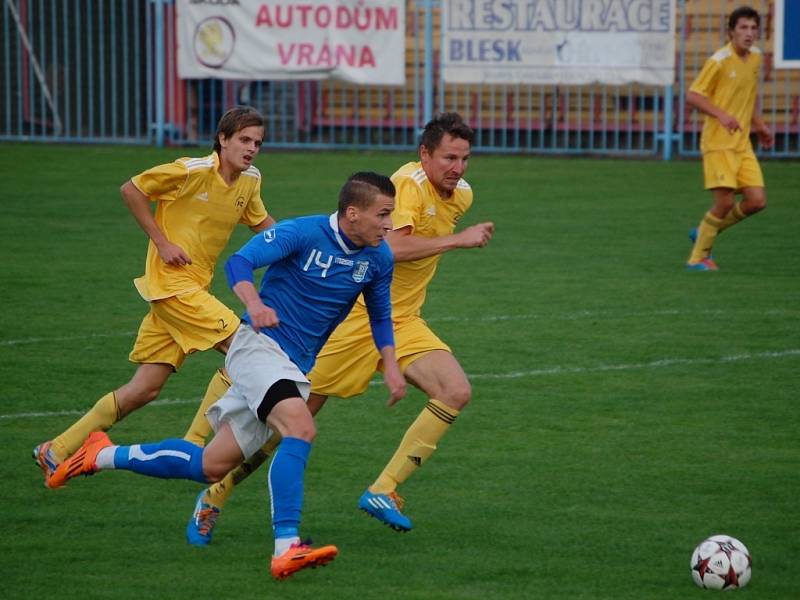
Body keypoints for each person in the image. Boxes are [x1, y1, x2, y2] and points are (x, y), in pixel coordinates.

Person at [49, 172, 407, 580]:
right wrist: (252, 303)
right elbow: (241, 262)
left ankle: (100, 453)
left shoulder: (378, 259)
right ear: (352, 213)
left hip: (293, 366)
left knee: (210, 466)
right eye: (383, 214)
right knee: (300, 428)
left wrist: (391, 365)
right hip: (259, 348)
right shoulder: (303, 233)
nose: (389, 224)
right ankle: (287, 547)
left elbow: (380, 315)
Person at [185, 112, 493, 543]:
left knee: (455, 390)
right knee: (287, 426)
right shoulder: (407, 186)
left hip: (399, 321)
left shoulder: (460, 195)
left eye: (464, 158)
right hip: (347, 325)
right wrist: (457, 241)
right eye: (448, 157)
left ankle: (383, 489)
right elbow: (392, 246)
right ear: (425, 154)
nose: (457, 168)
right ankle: (215, 494)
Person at [33, 106, 274, 487]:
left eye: (257, 143)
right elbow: (132, 189)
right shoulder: (190, 170)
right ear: (223, 139)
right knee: (249, 347)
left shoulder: (250, 181)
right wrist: (161, 243)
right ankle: (194, 442)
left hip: (190, 291)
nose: (251, 149)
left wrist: (304, 250)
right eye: (244, 140)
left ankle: (57, 449)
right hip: (173, 288)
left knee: (144, 389)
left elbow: (264, 227)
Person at [685, 5, 773, 271]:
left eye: (753, 28)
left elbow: (746, 96)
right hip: (718, 143)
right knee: (724, 203)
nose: (749, 33)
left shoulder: (756, 57)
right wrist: (721, 115)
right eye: (743, 28)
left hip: (742, 144)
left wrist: (760, 125)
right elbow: (693, 95)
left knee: (757, 201)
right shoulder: (719, 60)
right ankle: (697, 259)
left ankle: (705, 230)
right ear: (731, 31)